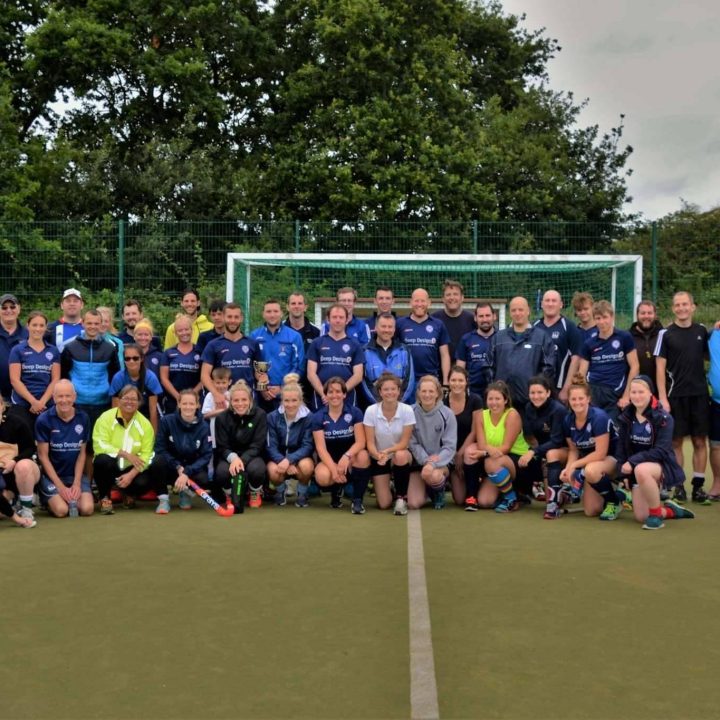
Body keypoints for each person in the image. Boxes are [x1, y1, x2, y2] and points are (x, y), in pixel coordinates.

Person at [615, 375, 694, 529]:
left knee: (641, 469)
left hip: (661, 466)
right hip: (635, 468)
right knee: (641, 516)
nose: (637, 396)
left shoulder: (664, 417)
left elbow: (661, 451)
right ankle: (671, 511)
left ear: (651, 393)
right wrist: (622, 474)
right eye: (633, 392)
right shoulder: (626, 416)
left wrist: (632, 462)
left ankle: (656, 516)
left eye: (641, 392)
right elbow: (621, 447)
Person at [654, 291, 711, 503]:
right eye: (677, 305)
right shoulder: (665, 333)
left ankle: (698, 487)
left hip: (699, 395)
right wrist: (662, 398)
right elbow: (660, 368)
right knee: (676, 442)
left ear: (693, 306)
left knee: (699, 441)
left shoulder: (702, 331)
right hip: (674, 396)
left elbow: (711, 355)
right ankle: (678, 486)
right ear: (673, 308)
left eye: (685, 304)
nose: (681, 308)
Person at [60, 308, 120, 474]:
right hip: (77, 405)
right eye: (89, 323)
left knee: (96, 448)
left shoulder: (110, 348)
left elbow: (115, 377)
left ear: (102, 325)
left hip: (102, 406)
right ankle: (78, 483)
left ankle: (93, 485)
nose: (92, 326)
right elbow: (63, 376)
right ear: (83, 323)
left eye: (96, 323)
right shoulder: (71, 347)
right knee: (78, 447)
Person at [92, 384, 165, 515]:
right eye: (126, 398)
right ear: (119, 400)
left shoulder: (145, 424)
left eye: (133, 399)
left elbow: (147, 454)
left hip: (131, 470)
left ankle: (128, 493)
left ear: (139, 402)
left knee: (145, 480)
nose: (129, 402)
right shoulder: (105, 418)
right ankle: (105, 498)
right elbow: (99, 444)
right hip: (112, 466)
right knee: (101, 460)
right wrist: (125, 454)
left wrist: (131, 475)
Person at [560, 376, 623, 520]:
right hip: (590, 463)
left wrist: (575, 466)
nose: (577, 402)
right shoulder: (567, 420)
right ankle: (616, 492)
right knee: (591, 510)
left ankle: (613, 501)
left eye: (581, 398)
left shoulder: (599, 417)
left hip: (614, 460)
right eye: (573, 399)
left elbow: (600, 454)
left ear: (588, 399)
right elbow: (574, 450)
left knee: (591, 470)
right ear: (569, 401)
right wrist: (568, 469)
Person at [311, 376, 371, 513]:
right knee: (322, 476)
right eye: (330, 392)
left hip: (350, 459)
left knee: (363, 456)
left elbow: (361, 442)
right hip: (329, 460)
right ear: (325, 395)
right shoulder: (318, 417)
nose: (334, 395)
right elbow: (321, 449)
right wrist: (334, 470)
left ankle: (357, 500)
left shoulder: (355, 412)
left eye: (338, 392)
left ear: (344, 394)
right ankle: (336, 490)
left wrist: (346, 456)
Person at [35, 380, 94, 517]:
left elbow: (82, 454)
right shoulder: (44, 420)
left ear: (74, 397)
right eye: (60, 396)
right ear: (54, 398)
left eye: (68, 396)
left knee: (87, 509)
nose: (64, 400)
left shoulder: (83, 418)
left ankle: (70, 496)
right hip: (52, 477)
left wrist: (77, 484)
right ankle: (48, 500)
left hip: (74, 475)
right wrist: (60, 487)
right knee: (62, 511)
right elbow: (43, 457)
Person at [490, 296, 555, 417]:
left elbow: (548, 368)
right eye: (514, 310)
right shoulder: (498, 337)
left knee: (529, 435)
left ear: (528, 311)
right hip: (503, 401)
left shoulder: (542, 337)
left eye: (521, 309)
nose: (517, 313)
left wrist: (536, 392)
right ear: (510, 313)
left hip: (530, 402)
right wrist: (496, 390)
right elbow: (489, 367)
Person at [469, 380, 529, 512]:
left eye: (498, 399)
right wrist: (486, 450)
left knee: (491, 462)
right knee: (485, 502)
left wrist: (485, 452)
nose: (494, 402)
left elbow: (506, 448)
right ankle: (509, 492)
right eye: (490, 399)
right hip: (496, 463)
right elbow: (481, 444)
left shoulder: (512, 415)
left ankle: (511, 499)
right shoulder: (481, 416)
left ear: (505, 400)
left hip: (518, 462)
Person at [577, 300, 639, 423]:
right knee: (593, 430)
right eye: (598, 318)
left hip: (614, 393)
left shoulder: (624, 337)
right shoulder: (589, 343)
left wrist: (626, 396)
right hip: (593, 391)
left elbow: (635, 366)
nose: (602, 322)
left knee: (612, 432)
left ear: (612, 317)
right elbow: (581, 373)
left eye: (605, 317)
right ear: (594, 320)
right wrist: (582, 396)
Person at [363, 372, 414, 514]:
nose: (389, 392)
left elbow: (404, 443)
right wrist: (377, 455)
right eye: (386, 389)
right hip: (379, 458)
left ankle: (401, 498)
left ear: (399, 391)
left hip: (399, 454)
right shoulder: (371, 411)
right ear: (380, 391)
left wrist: (387, 452)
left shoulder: (407, 410)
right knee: (384, 504)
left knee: (400, 455)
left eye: (393, 389)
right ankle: (391, 486)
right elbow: (370, 443)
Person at [154, 389, 213, 513]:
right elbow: (160, 448)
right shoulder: (166, 421)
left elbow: (206, 455)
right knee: (157, 461)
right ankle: (163, 500)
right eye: (184, 403)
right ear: (179, 404)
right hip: (171, 467)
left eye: (191, 404)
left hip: (190, 470)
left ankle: (185, 493)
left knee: (203, 478)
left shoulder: (204, 426)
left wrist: (186, 472)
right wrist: (177, 466)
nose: (188, 407)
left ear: (198, 405)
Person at [518, 375, 568, 519]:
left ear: (548, 393)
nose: (536, 396)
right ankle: (521, 495)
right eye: (532, 393)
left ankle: (553, 506)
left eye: (540, 392)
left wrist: (533, 452)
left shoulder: (558, 410)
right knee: (520, 460)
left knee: (550, 453)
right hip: (542, 450)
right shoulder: (528, 408)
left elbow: (557, 441)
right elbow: (531, 437)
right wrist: (530, 452)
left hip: (563, 451)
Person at [214, 380, 267, 509]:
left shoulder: (260, 415)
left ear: (250, 400)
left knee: (257, 470)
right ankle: (229, 494)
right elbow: (222, 446)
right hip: (229, 457)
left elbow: (258, 445)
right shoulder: (221, 418)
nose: (240, 404)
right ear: (230, 401)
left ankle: (255, 492)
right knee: (221, 472)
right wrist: (233, 458)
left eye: (244, 400)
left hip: (252, 456)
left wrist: (241, 460)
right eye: (236, 400)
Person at [408, 375, 457, 510]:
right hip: (420, 462)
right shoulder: (410, 412)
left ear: (437, 393)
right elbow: (412, 443)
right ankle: (428, 490)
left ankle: (438, 491)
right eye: (423, 391)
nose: (427, 395)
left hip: (442, 462)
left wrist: (433, 463)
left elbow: (449, 446)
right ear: (418, 393)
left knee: (434, 476)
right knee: (413, 503)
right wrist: (426, 461)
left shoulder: (447, 414)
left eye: (431, 391)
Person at [266, 377, 315, 508]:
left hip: (300, 459)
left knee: (307, 467)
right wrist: (283, 461)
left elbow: (308, 446)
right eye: (286, 400)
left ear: (300, 400)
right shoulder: (272, 417)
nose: (290, 404)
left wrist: (290, 460)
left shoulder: (309, 417)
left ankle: (302, 493)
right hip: (279, 460)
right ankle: (280, 492)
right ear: (282, 401)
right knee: (272, 470)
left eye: (294, 400)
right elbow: (271, 446)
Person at [9, 310, 60, 431]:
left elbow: (55, 379)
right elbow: (14, 380)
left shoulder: (53, 351)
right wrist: (33, 402)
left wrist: (41, 402)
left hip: (46, 404)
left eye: (41, 325)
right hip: (22, 403)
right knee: (25, 442)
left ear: (46, 327)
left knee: (45, 440)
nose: (38, 329)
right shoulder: (17, 350)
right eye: (34, 325)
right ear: (28, 326)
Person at [250, 298, 305, 412]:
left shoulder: (294, 336)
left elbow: (299, 366)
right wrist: (263, 388)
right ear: (263, 314)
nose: (272, 315)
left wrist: (282, 387)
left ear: (281, 313)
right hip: (261, 395)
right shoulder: (254, 336)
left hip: (286, 395)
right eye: (268, 312)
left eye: (275, 311)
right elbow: (251, 364)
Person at [306, 304, 364, 410]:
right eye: (334, 317)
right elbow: (311, 374)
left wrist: (339, 393)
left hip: (347, 397)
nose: (338, 320)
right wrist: (324, 394)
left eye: (341, 317)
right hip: (322, 399)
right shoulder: (317, 343)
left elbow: (358, 375)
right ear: (328, 319)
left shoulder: (355, 345)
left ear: (347, 320)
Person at [201, 304, 259, 407]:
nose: (233, 320)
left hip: (246, 400)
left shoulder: (252, 344)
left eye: (236, 317)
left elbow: (259, 373)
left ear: (241, 318)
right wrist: (216, 394)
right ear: (223, 317)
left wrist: (264, 380)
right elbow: (204, 375)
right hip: (223, 401)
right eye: (229, 317)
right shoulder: (213, 345)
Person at [443, 366, 483, 509]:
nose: (457, 384)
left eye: (460, 380)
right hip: (450, 452)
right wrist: (452, 454)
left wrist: (460, 453)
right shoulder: (441, 402)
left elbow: (475, 431)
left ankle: (472, 497)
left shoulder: (475, 400)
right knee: (459, 499)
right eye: (453, 380)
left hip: (468, 448)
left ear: (466, 382)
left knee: (469, 453)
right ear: (448, 382)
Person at [534, 290, 583, 404]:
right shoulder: (533, 327)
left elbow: (576, 360)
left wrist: (566, 389)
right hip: (537, 390)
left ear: (561, 304)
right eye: (547, 300)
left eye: (554, 301)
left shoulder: (570, 327)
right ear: (541, 304)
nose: (550, 304)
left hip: (559, 389)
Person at [397, 288, 451, 387]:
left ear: (429, 303)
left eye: (423, 301)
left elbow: (445, 355)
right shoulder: (400, 324)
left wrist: (446, 382)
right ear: (410, 303)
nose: (419, 304)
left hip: (431, 380)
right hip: (406, 381)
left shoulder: (438, 324)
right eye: (416, 301)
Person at [0, 395, 40, 523]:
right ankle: (12, 498)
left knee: (23, 466)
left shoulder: (16, 422)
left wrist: (15, 461)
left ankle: (26, 508)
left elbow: (30, 448)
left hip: (19, 470)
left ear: (2, 406)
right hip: (2, 477)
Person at [361, 312, 415, 405]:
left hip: (400, 406)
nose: (387, 330)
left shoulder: (404, 350)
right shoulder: (365, 351)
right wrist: (380, 403)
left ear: (394, 329)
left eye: (390, 327)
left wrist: (396, 403)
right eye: (383, 326)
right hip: (373, 407)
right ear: (376, 328)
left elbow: (409, 381)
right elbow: (364, 383)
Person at [109, 344, 163, 431]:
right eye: (127, 358)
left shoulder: (150, 378)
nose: (131, 361)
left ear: (142, 359)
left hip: (145, 417)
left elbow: (153, 410)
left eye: (135, 358)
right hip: (124, 417)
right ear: (124, 360)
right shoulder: (118, 378)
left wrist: (154, 436)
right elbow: (115, 409)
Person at [159, 315, 202, 415]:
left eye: (186, 329)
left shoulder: (200, 352)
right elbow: (164, 378)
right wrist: (178, 397)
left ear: (192, 330)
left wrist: (192, 395)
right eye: (180, 330)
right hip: (173, 401)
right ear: (175, 333)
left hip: (194, 402)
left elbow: (204, 377)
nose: (184, 333)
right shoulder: (168, 353)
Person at [456, 302, 495, 399]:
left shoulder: (502, 338)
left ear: (494, 316)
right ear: (475, 318)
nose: (485, 319)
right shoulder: (466, 339)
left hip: (496, 392)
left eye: (487, 315)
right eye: (481, 316)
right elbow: (459, 369)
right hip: (473, 392)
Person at [431, 280, 475, 363]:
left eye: (455, 294)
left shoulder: (472, 319)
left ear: (462, 298)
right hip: (439, 372)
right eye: (448, 295)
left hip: (466, 372)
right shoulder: (434, 319)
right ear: (443, 299)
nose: (452, 298)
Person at [0, 292, 28, 402]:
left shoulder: (29, 335)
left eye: (12, 307)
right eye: (4, 307)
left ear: (19, 309)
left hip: (23, 399)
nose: (8, 310)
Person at [629, 300, 663, 380]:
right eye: (643, 313)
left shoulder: (664, 335)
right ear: (637, 315)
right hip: (636, 390)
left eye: (649, 313)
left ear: (655, 315)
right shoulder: (627, 337)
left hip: (660, 390)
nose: (646, 316)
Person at [202, 367, 231, 450]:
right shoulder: (209, 396)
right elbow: (205, 415)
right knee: (215, 449)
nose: (221, 386)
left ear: (229, 382)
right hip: (214, 428)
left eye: (223, 382)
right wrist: (222, 411)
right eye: (218, 383)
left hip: (230, 428)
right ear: (212, 382)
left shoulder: (231, 395)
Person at [45, 287, 84, 352]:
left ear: (82, 305)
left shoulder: (90, 327)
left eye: (75, 301)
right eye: (68, 301)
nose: (72, 304)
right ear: (62, 305)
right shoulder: (50, 328)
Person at [97, 305, 125, 370]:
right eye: (100, 321)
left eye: (106, 321)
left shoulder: (118, 343)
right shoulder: (86, 340)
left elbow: (121, 368)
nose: (103, 324)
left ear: (110, 323)